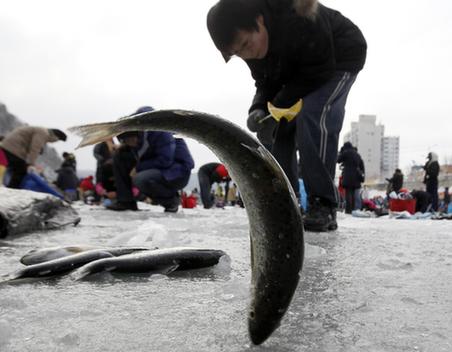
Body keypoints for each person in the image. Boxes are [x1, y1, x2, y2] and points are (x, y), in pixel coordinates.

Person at [207, 0, 367, 231]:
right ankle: (288, 202)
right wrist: (259, 108)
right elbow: (264, 82)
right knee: (281, 128)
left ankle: (323, 202)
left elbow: (319, 68)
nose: (246, 54)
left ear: (259, 20)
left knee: (314, 113)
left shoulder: (297, 15)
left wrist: (278, 105)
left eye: (245, 44)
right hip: (300, 71)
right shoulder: (253, 50)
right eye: (237, 53)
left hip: (339, 57)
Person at [107, 106, 195, 213]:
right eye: (124, 141)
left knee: (140, 179)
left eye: (128, 140)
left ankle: (171, 201)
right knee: (119, 156)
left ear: (137, 133)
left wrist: (138, 168)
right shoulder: (139, 136)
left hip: (177, 172)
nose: (129, 144)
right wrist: (123, 146)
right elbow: (141, 148)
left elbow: (165, 160)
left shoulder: (160, 131)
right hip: (159, 167)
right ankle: (126, 201)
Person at [0, 126, 67, 188]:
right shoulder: (43, 133)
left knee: (14, 168)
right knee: (21, 171)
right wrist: (30, 164)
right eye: (57, 140)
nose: (55, 142)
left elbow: (32, 145)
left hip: (9, 147)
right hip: (13, 149)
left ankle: (8, 187)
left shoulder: (40, 131)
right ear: (54, 136)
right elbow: (35, 148)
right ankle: (12, 189)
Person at [337, 142, 365, 214]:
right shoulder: (357, 155)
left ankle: (348, 210)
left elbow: (338, 160)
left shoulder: (346, 153)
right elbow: (362, 166)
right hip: (356, 177)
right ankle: (353, 209)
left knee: (348, 193)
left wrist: (341, 153)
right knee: (353, 194)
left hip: (348, 176)